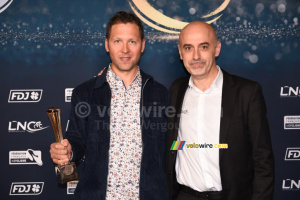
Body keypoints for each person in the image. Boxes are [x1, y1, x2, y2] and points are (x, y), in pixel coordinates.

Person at [50, 11, 168, 200]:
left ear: (143, 45)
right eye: (117, 41)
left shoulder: (160, 93)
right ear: (107, 45)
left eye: (132, 41)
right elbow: (77, 141)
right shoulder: (85, 93)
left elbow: (170, 150)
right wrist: (67, 151)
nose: (125, 50)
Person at [165, 21, 275, 200]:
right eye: (188, 48)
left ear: (217, 49)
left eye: (204, 47)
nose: (196, 56)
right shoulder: (176, 89)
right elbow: (174, 144)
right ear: (180, 52)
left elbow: (263, 160)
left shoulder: (247, 92)